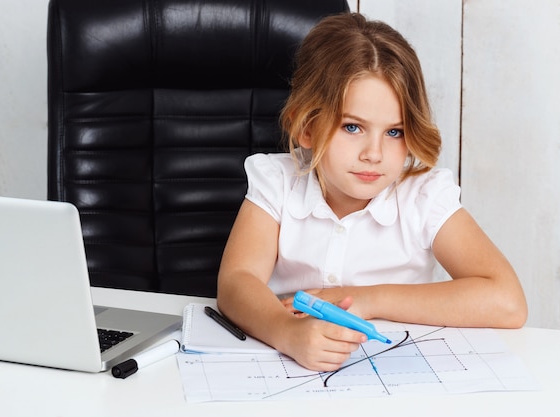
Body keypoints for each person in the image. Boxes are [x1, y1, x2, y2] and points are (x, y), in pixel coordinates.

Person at [216, 12, 528, 372]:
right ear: (307, 128)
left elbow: (508, 301)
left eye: (394, 132)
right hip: (286, 370)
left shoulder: (424, 197)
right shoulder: (278, 181)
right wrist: (287, 332)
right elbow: (236, 281)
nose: (374, 153)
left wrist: (368, 300)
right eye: (353, 127)